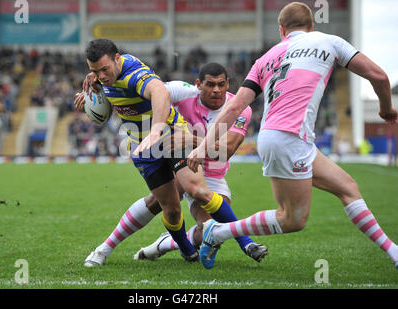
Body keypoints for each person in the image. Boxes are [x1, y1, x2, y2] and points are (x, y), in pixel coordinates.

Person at [188, 2, 398, 270]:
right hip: (288, 137)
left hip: (285, 137)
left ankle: (392, 251)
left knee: (348, 188)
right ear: (311, 26)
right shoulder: (328, 41)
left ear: (281, 30)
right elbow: (379, 76)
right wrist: (386, 108)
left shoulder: (265, 59)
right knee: (292, 220)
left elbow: (234, 107)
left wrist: (203, 146)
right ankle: (216, 232)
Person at [80, 63, 268, 267]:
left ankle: (166, 243)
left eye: (221, 84)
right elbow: (143, 90)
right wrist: (99, 86)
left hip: (213, 174)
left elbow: (227, 150)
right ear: (198, 84)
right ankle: (105, 247)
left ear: (228, 84)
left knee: (210, 229)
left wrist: (192, 140)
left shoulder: (239, 108)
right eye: (210, 85)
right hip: (180, 163)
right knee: (158, 202)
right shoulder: (183, 92)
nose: (216, 90)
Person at [74, 38, 198, 263]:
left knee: (195, 189)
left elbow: (160, 91)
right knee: (170, 208)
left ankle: (245, 243)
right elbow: (103, 116)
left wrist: (156, 128)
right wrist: (92, 106)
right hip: (143, 147)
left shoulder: (133, 73)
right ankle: (188, 250)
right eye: (94, 70)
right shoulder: (104, 78)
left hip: (170, 136)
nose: (100, 75)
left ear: (117, 59)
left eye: (104, 69)